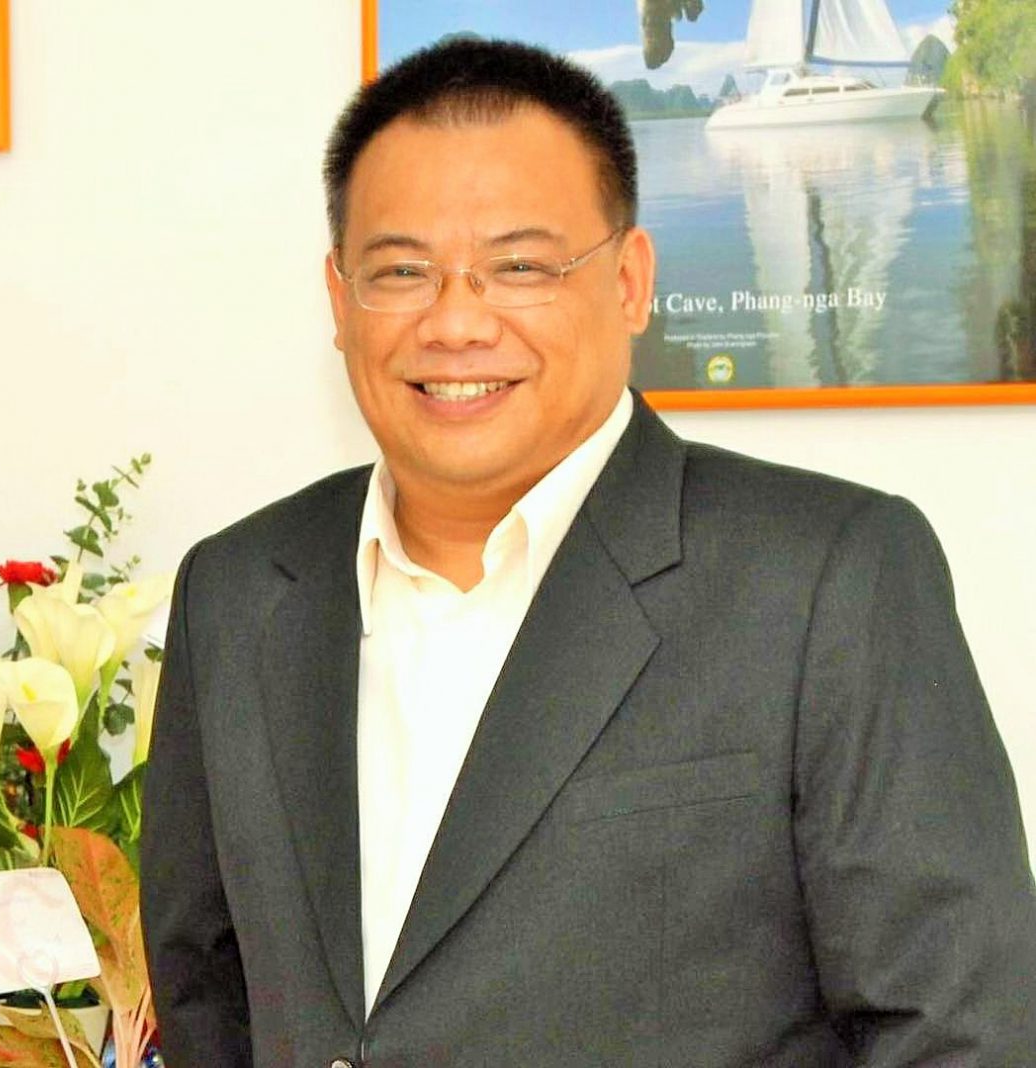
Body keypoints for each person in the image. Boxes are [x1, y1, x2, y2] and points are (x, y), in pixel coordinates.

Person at [141, 38, 1036, 1067]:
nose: (456, 322)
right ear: (341, 303)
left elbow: (962, 1028)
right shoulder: (236, 588)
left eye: (520, 266)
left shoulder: (826, 578)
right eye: (402, 272)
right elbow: (204, 992)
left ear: (631, 283)